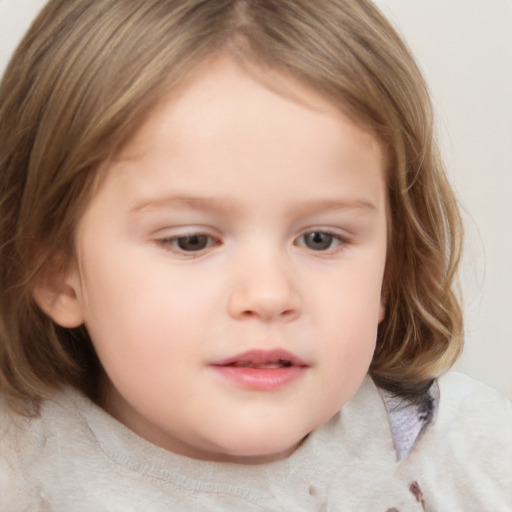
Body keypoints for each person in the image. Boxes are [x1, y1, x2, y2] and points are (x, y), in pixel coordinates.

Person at [0, 0, 510, 509]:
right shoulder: (20, 471)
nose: (268, 295)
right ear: (57, 273)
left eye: (320, 239)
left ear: (389, 270)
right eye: (191, 241)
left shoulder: (469, 458)